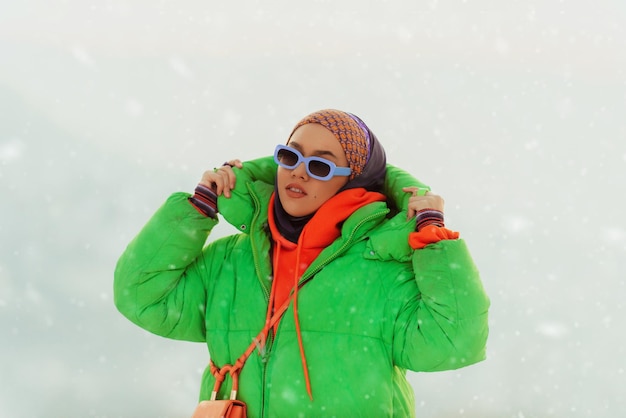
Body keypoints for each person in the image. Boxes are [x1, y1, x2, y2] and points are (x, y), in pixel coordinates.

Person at [114, 109, 490, 418]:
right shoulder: (230, 260)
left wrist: (431, 238)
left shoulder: (383, 271)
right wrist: (198, 208)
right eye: (289, 157)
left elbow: (454, 342)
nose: (299, 171)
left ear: (355, 180)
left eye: (321, 167)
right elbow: (141, 296)